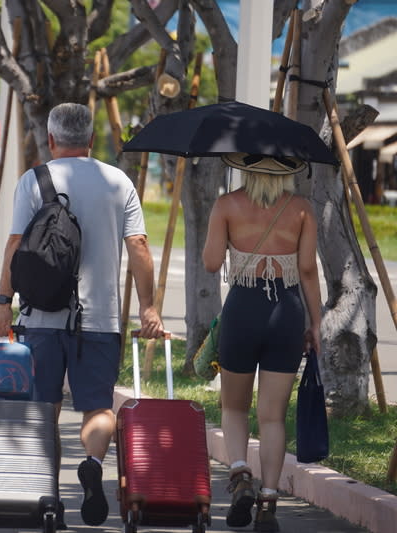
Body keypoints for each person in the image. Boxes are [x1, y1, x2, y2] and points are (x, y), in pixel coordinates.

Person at [0, 102, 164, 527]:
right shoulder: (117, 181)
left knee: (43, 409)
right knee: (98, 407)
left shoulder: (35, 180)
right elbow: (139, 247)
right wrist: (148, 305)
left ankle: (48, 496)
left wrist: (2, 303)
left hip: (41, 317)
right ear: (91, 139)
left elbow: (15, 245)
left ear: (50, 139)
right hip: (99, 319)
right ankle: (92, 462)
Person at [202, 152, 321, 533]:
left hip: (243, 307)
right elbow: (306, 269)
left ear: (245, 168)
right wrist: (315, 323)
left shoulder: (227, 205)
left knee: (234, 407)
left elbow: (210, 262)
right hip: (286, 310)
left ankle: (240, 475)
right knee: (272, 416)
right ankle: (269, 500)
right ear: (288, 172)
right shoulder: (301, 209)